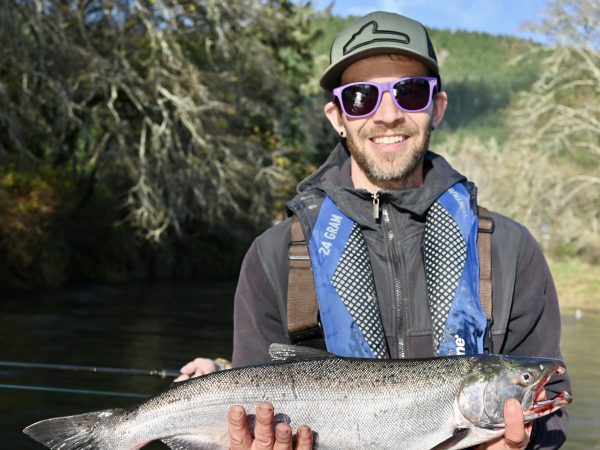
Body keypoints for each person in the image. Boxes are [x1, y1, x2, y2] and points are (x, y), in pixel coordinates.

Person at [178, 11, 571, 449]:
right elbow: (248, 418)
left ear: (436, 107)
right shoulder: (273, 257)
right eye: (362, 97)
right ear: (336, 117)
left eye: (410, 92)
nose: (387, 115)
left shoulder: (510, 251)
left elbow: (552, 413)